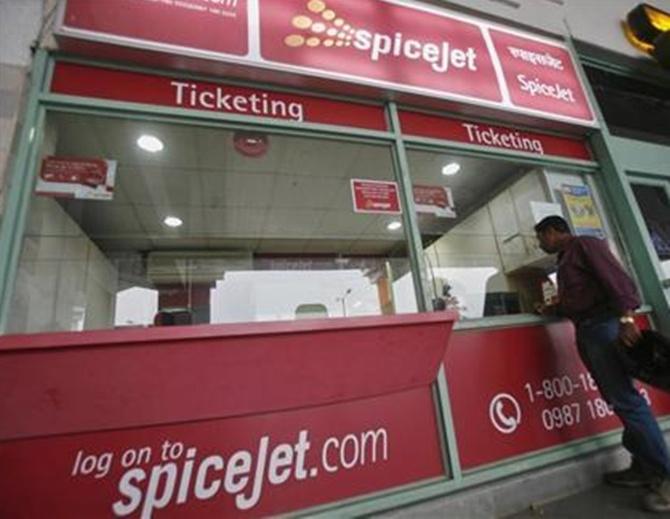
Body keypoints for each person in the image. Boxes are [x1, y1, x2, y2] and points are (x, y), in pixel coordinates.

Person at [534, 215, 670, 513]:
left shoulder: (585, 244)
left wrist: (626, 319)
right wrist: (554, 307)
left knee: (626, 400)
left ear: (554, 231)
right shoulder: (565, 259)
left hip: (605, 328)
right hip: (589, 330)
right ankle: (643, 466)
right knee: (618, 398)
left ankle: (665, 475)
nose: (539, 243)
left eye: (540, 237)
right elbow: (581, 297)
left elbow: (618, 282)